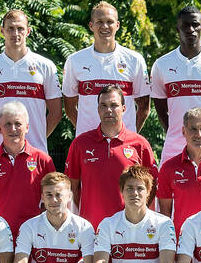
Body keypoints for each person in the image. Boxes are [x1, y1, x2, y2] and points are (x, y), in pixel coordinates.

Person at [65, 84, 158, 227]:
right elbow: (72, 187)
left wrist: (137, 216)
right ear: (98, 110)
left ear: (124, 109)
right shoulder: (80, 144)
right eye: (103, 105)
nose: (108, 110)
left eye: (114, 105)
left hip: (128, 228)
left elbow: (151, 187)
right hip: (90, 228)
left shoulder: (140, 144)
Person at [150, 6, 201, 158]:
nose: (190, 29)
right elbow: (161, 110)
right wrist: (179, 134)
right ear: (177, 29)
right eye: (185, 25)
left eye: (195, 24)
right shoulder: (161, 64)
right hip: (174, 147)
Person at [0, 9, 62, 153]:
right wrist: (0, 137)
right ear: (2, 31)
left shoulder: (45, 66)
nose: (15, 34)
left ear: (28, 31)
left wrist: (37, 136)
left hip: (36, 151)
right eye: (10, 28)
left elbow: (56, 112)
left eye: (20, 28)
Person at [63, 1, 151, 138]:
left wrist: (130, 135)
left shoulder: (134, 60)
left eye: (110, 21)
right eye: (99, 22)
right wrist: (86, 133)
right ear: (91, 26)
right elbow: (69, 108)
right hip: (88, 144)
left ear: (117, 25)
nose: (105, 26)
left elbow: (144, 108)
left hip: (124, 145)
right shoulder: (75, 60)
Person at [95, 165, 176, 263]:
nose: (135, 193)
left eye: (140, 188)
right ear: (122, 191)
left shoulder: (164, 223)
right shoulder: (108, 224)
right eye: (129, 188)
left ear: (148, 191)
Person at [0, 100, 55, 238]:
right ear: (0, 129)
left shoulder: (43, 160)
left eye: (18, 124)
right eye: (7, 124)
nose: (13, 129)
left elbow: (52, 199)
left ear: (27, 127)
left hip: (31, 237)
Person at [11, 172, 95, 263]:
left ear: (69, 196)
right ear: (42, 198)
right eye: (49, 195)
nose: (54, 200)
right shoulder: (29, 226)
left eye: (58, 195)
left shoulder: (83, 226)